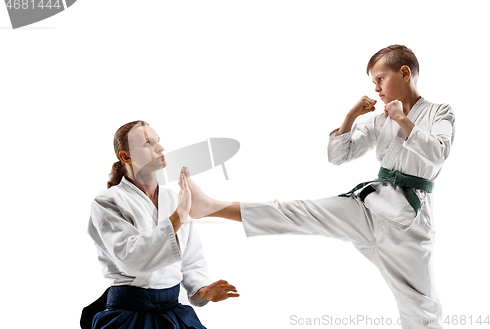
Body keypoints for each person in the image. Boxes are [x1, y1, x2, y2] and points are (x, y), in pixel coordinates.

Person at [185, 45, 455, 329]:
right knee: (298, 211)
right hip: (370, 206)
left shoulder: (440, 112)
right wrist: (351, 116)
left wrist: (402, 117)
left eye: (380, 79)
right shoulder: (380, 119)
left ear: (404, 73)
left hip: (408, 224)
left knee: (421, 308)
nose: (376, 88)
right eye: (373, 82)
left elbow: (438, 152)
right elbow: (338, 156)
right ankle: (208, 207)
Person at [82, 120, 239, 329]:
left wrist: (202, 289)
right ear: (126, 157)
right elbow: (130, 258)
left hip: (172, 310)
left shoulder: (174, 199)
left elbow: (191, 255)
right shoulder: (107, 202)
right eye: (148, 143)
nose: (160, 147)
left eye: (158, 141)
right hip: (128, 314)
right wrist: (179, 215)